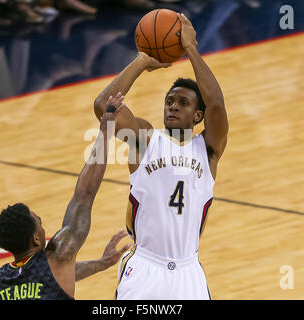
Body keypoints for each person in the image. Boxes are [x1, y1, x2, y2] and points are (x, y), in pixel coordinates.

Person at [93, 13, 228, 299]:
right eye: (169, 101)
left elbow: (216, 103)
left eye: (182, 103)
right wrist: (141, 61)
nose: (173, 107)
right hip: (145, 267)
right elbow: (104, 105)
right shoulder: (145, 140)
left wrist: (191, 49)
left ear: (198, 116)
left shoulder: (207, 150)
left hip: (188, 271)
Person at [0, 99, 130, 300]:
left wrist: (100, 264)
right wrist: (105, 133)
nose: (40, 222)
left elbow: (58, 275)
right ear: (36, 239)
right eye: (38, 221)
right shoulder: (57, 254)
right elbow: (85, 195)